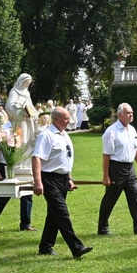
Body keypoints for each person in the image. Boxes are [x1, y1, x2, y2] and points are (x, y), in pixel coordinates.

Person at [31, 107, 92, 258]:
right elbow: (36, 158)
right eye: (66, 118)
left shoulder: (64, 135)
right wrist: (38, 182)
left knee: (54, 215)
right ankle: (76, 247)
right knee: (62, 213)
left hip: (62, 179)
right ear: (56, 119)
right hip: (49, 179)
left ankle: (45, 247)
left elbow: (66, 158)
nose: (69, 121)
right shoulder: (47, 136)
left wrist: (69, 178)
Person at [97, 103, 137, 236]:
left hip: (130, 168)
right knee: (110, 199)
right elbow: (106, 156)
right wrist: (106, 176)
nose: (131, 115)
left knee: (136, 196)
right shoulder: (111, 132)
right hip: (116, 168)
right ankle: (102, 228)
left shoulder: (132, 130)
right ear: (120, 115)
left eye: (132, 112)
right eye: (128, 113)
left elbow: (136, 150)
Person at [0, 120, 36, 232]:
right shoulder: (2, 130)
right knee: (4, 196)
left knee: (27, 194)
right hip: (6, 166)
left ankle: (25, 224)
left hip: (23, 166)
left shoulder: (29, 127)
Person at [6, 73, 37, 145]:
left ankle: (28, 154)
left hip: (29, 118)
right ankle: (21, 154)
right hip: (21, 118)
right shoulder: (14, 91)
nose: (27, 84)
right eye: (26, 82)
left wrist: (34, 112)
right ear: (21, 81)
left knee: (30, 138)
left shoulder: (27, 93)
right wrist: (20, 111)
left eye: (29, 83)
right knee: (23, 139)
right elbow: (9, 105)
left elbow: (30, 105)